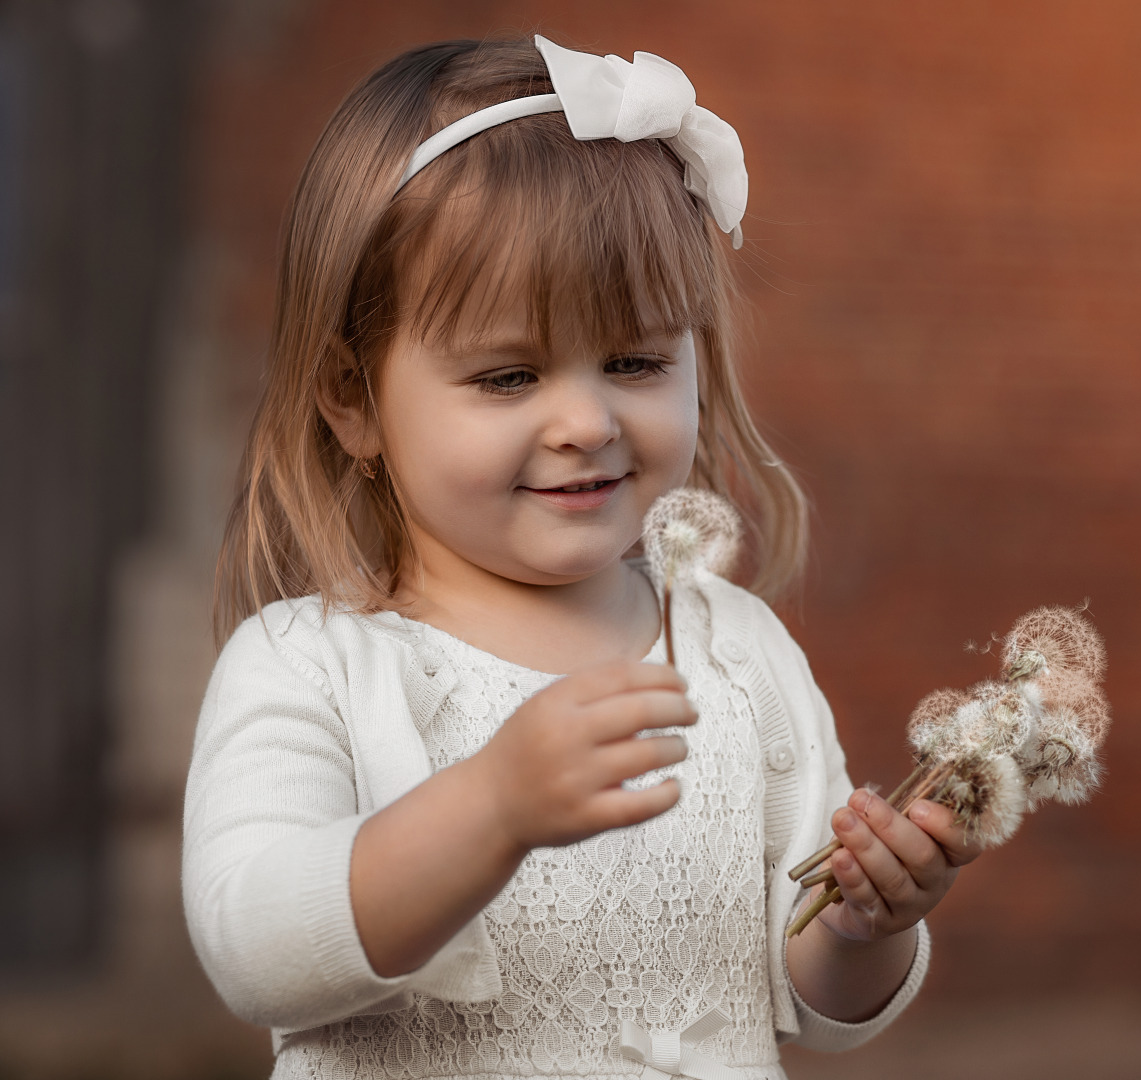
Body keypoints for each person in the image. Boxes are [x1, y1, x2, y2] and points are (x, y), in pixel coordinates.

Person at [183, 34, 982, 1080]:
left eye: (636, 360)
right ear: (352, 398)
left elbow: (805, 1002)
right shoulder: (309, 666)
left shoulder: (735, 656)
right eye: (508, 376)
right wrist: (490, 808)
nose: (584, 421)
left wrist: (862, 925)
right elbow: (258, 950)